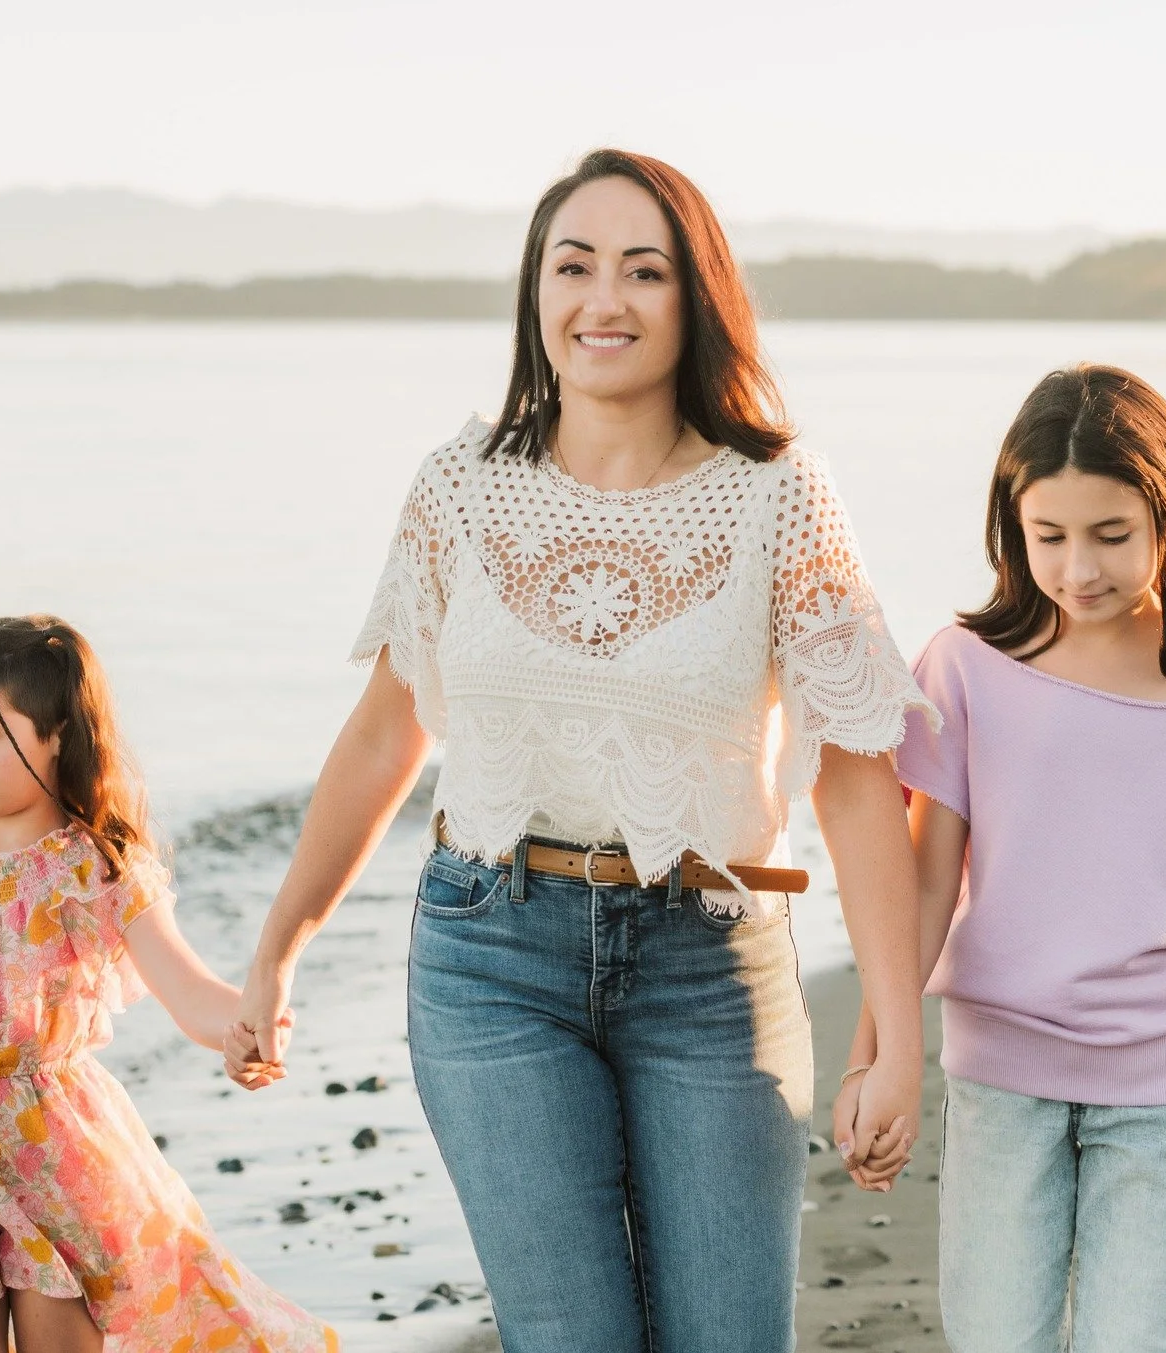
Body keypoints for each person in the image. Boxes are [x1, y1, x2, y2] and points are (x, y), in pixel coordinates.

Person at [222, 149, 931, 1353]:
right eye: (573, 266)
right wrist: (279, 947)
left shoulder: (777, 494)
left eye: (642, 271)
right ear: (534, 294)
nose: (603, 300)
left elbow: (858, 781)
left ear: (695, 298)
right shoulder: (458, 485)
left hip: (709, 968)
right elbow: (389, 729)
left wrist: (894, 1038)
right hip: (490, 957)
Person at [839, 365, 1166, 1351]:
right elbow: (927, 874)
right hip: (1000, 1079)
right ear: (1010, 533)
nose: (1077, 570)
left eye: (1110, 537)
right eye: (1047, 538)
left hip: (1163, 1093)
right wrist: (876, 1057)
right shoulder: (966, 665)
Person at [0, 616, 338, 1353]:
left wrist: (248, 1022)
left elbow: (188, 989)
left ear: (56, 733)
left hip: (55, 1163)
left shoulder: (91, 868)